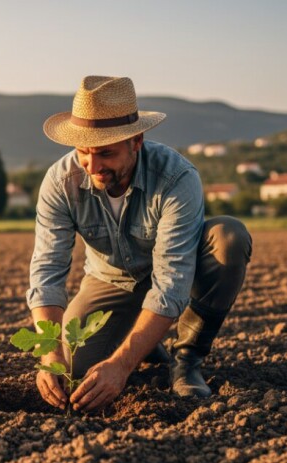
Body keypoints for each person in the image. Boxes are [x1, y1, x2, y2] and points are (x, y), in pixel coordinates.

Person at [27, 75, 252, 411]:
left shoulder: (176, 177)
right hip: (108, 280)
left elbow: (171, 281)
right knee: (73, 366)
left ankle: (186, 361)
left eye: (105, 153)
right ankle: (147, 344)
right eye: (84, 153)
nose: (93, 166)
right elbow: (47, 270)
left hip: (180, 273)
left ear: (136, 141)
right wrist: (50, 353)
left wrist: (121, 365)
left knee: (228, 238)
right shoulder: (61, 181)